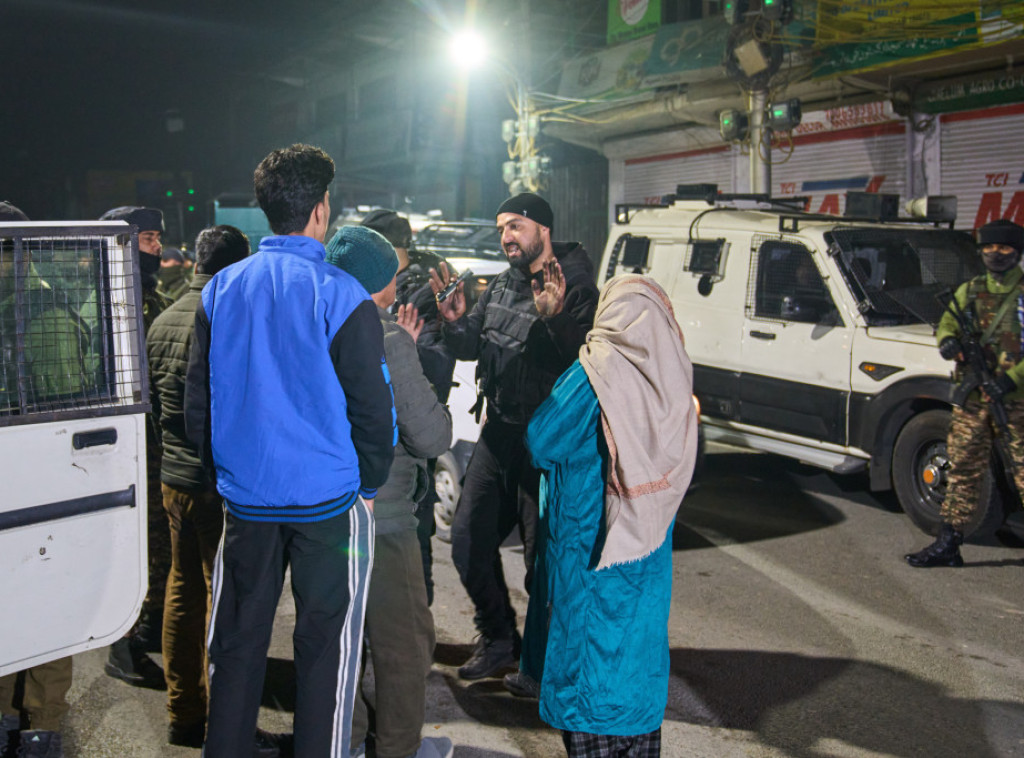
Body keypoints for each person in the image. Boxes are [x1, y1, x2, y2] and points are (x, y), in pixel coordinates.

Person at [184, 144, 395, 757]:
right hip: (328, 504)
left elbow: (200, 401)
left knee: (236, 644)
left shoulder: (220, 289)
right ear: (321, 211)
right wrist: (371, 485)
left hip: (246, 501)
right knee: (326, 651)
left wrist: (217, 475)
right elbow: (372, 410)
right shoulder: (341, 294)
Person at [428, 192, 599, 683]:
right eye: (502, 227)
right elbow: (470, 347)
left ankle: (543, 665)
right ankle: (499, 639)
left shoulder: (576, 285)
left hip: (548, 446)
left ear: (543, 229)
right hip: (499, 433)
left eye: (516, 226)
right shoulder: (503, 284)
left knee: (542, 565)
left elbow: (585, 363)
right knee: (466, 540)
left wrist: (555, 317)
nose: (506, 236)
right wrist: (456, 321)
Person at [526, 275, 698, 757]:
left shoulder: (597, 372)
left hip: (594, 545)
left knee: (593, 682)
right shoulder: (672, 375)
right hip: (647, 546)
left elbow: (543, 440)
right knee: (635, 671)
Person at [326, 224, 454, 758]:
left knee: (339, 642)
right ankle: (398, 749)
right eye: (394, 275)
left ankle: (347, 741)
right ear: (378, 280)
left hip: (326, 519)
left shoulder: (312, 326)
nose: (399, 285)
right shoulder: (387, 337)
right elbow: (431, 435)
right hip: (386, 520)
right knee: (402, 643)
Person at [146, 225, 249, 747]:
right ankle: (229, 726)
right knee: (227, 599)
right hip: (216, 482)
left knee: (182, 591)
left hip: (174, 479)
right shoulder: (228, 318)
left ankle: (184, 712)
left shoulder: (163, 319)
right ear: (235, 267)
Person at [0, 200, 92, 758]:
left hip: (28, 485)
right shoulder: (31, 307)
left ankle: (26, 722)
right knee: (29, 604)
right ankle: (27, 721)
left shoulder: (40, 310)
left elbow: (63, 413)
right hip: (27, 486)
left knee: (29, 603)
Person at [905, 219, 1024, 568]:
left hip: (1015, 400)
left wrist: (1010, 380)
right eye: (989, 247)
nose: (995, 253)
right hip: (974, 400)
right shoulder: (969, 291)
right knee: (963, 468)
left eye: (1004, 248)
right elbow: (947, 323)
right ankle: (948, 543)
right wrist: (948, 342)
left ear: (1017, 251)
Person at [361, 209, 453, 606]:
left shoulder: (419, 291)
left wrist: (403, 345)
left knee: (414, 547)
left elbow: (437, 362)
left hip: (412, 434)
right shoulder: (369, 286)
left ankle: (419, 625)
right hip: (375, 455)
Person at [98, 205, 173, 690]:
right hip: (113, 450)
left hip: (150, 445)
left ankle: (143, 627)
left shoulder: (150, 296)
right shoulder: (103, 299)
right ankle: (120, 647)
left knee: (156, 546)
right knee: (125, 550)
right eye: (148, 239)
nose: (158, 248)